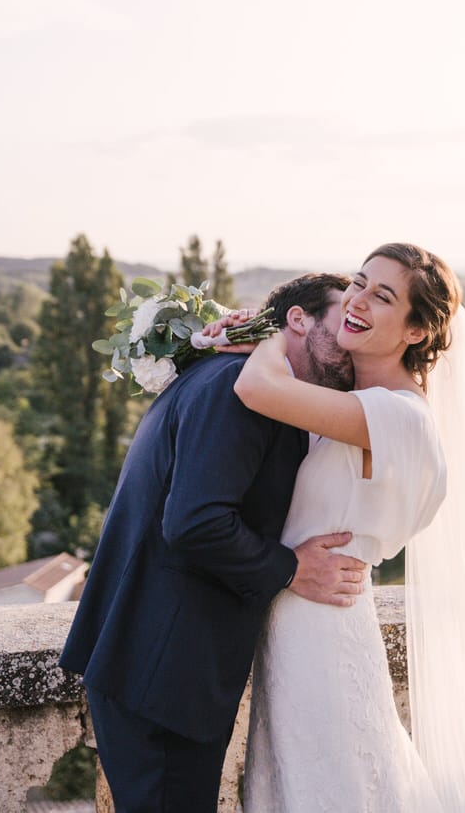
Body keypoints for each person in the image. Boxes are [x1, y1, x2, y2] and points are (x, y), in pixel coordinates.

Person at [225, 242, 465, 813]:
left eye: (383, 296)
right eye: (358, 283)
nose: (357, 301)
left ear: (415, 331)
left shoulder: (398, 416)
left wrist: (271, 333)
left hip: (322, 627)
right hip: (299, 619)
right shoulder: (350, 400)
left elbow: (256, 389)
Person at [59, 272, 366, 813]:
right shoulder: (235, 389)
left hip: (157, 661)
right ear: (298, 320)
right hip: (163, 670)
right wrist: (292, 568)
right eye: (344, 318)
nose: (353, 338)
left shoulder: (247, 382)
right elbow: (195, 522)